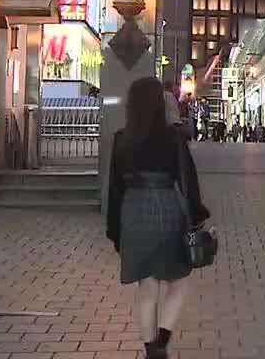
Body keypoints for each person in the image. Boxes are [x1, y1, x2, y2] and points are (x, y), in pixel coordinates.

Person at [107, 77, 209, 359]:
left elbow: (114, 190)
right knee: (178, 281)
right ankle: (162, 341)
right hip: (166, 210)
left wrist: (115, 231)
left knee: (147, 287)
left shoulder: (121, 140)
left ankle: (151, 348)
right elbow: (188, 180)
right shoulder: (173, 137)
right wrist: (197, 216)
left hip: (133, 212)